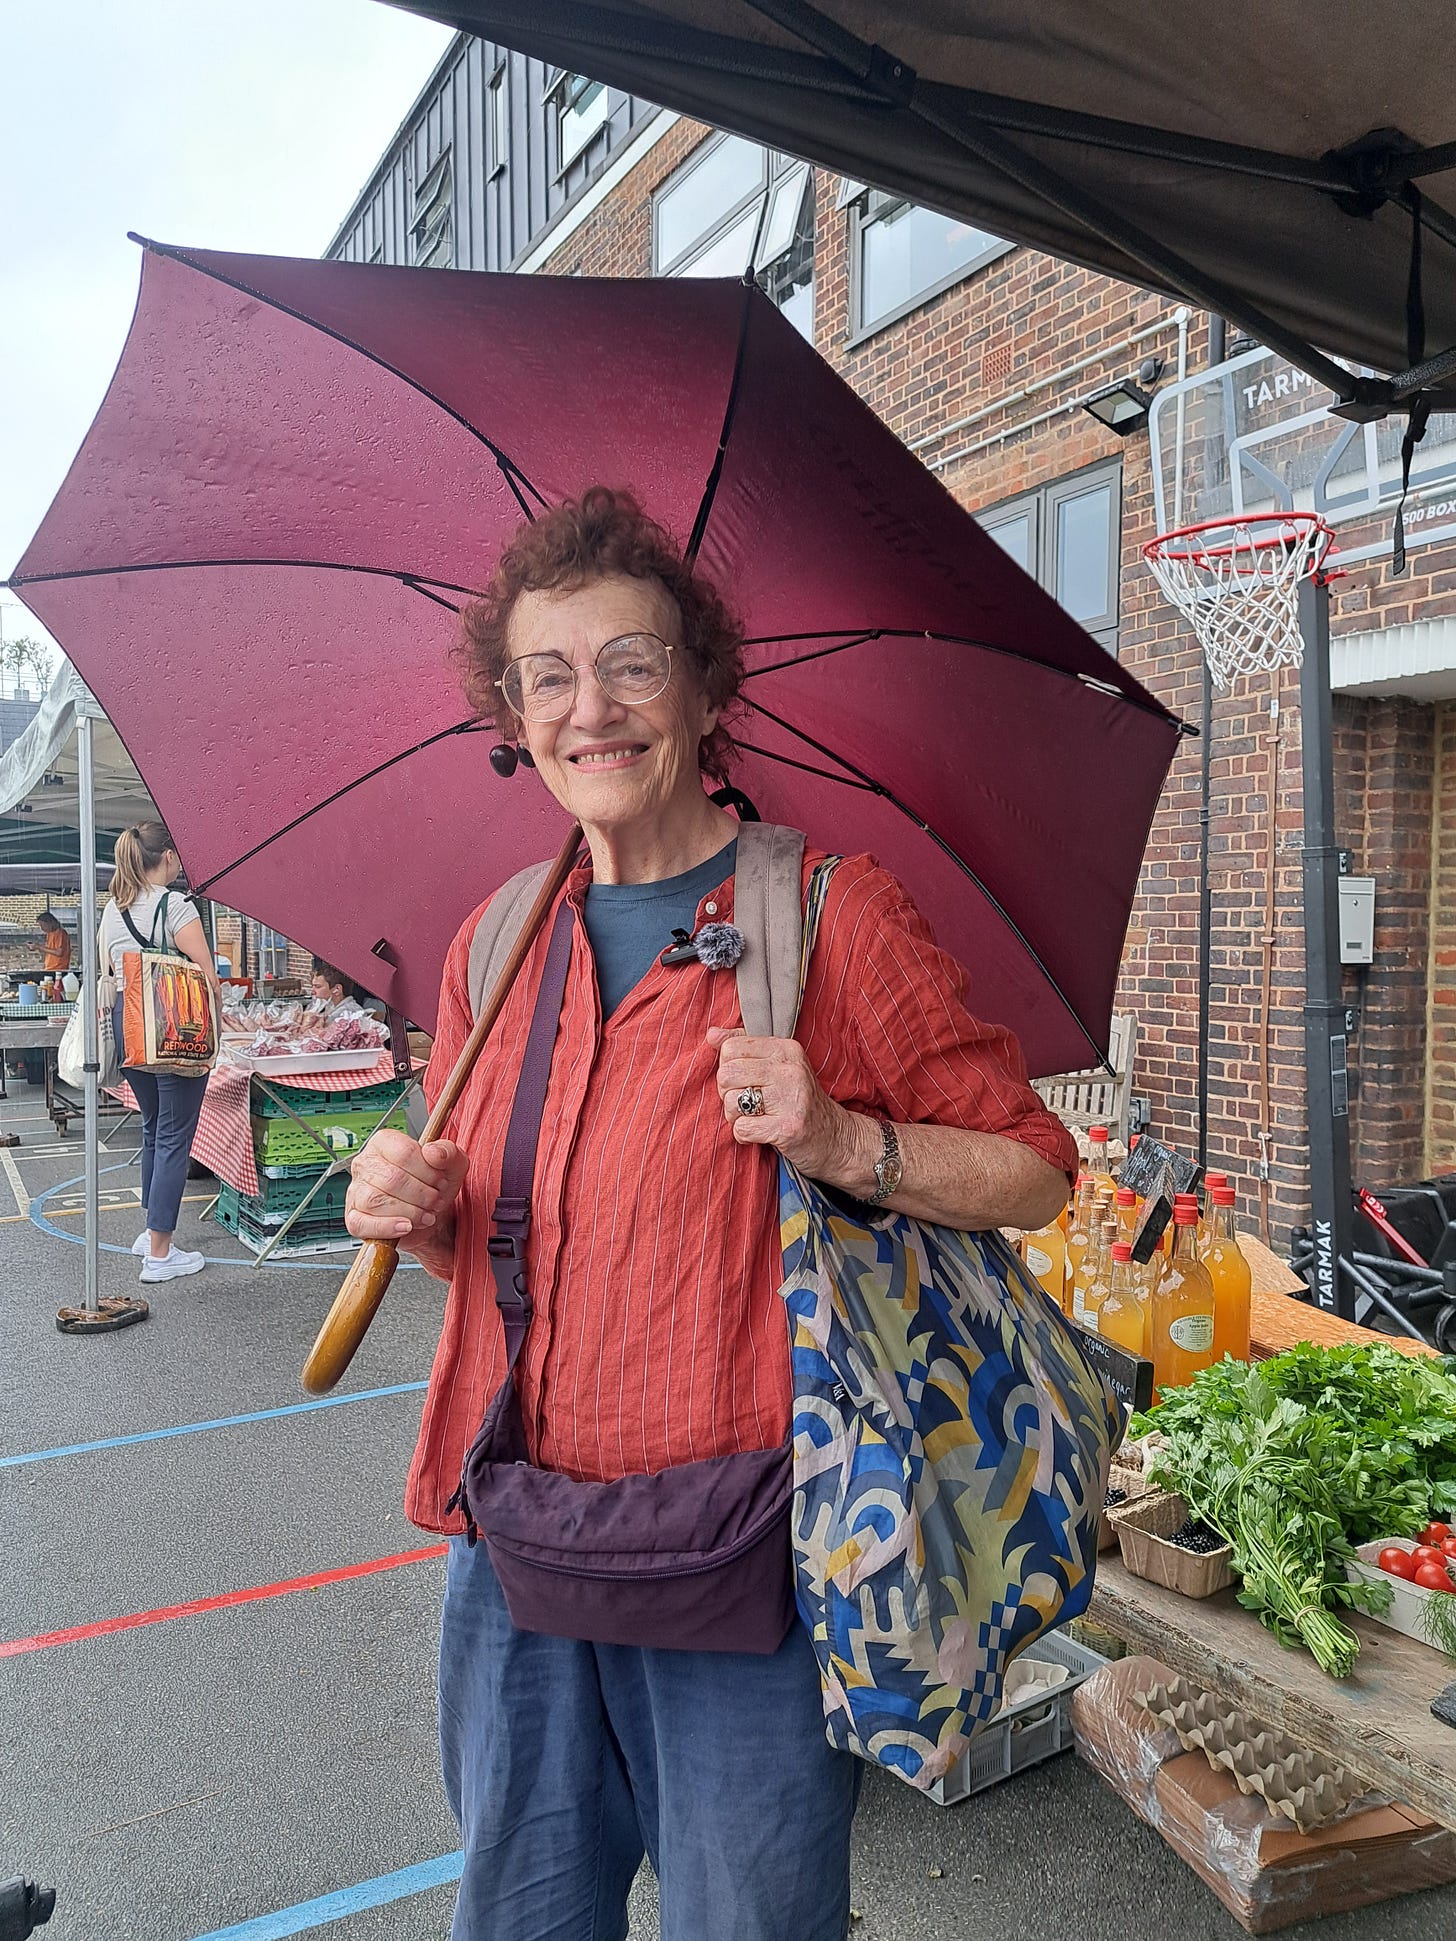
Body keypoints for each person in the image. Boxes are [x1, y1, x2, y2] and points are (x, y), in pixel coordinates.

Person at [346, 488, 1077, 1941]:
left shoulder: (827, 914)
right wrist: (414, 1207)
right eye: (546, 674)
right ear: (510, 707)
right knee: (521, 1920)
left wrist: (846, 1133)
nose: (589, 708)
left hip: (739, 1563)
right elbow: (527, 1247)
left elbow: (1034, 1170)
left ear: (702, 686)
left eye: (631, 662)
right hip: (517, 1552)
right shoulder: (497, 941)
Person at [100, 821, 222, 1284]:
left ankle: (149, 1229)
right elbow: (207, 975)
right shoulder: (175, 905)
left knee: (153, 1127)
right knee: (174, 1135)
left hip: (129, 1025)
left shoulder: (113, 908)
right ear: (167, 857)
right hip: (174, 1028)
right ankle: (160, 1253)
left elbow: (115, 969)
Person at [38, 910, 71, 976]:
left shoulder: (61, 933)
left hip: (58, 969)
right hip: (49, 968)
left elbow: (59, 952)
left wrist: (39, 947)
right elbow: (49, 951)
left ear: (51, 923)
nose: (42, 928)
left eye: (43, 925)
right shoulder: (49, 934)